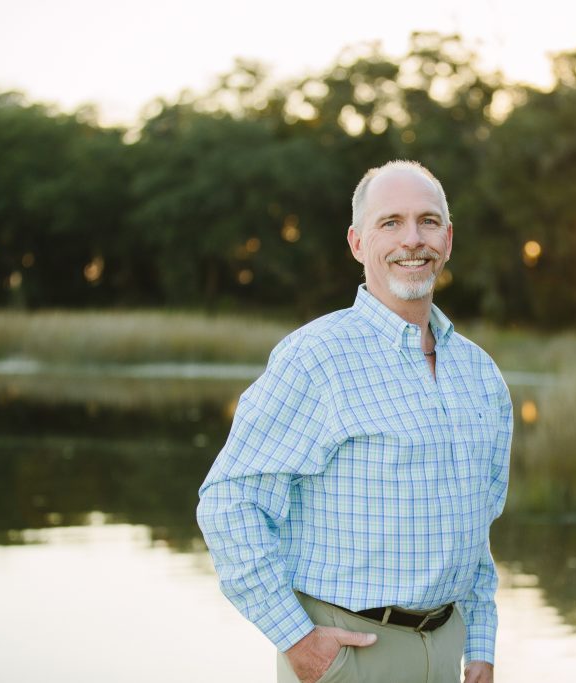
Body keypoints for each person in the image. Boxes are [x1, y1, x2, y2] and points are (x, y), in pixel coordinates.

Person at [196, 160, 513, 683]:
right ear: (358, 243)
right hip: (348, 654)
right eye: (390, 222)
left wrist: (480, 643)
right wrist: (297, 640)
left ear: (448, 240)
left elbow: (477, 528)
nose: (412, 239)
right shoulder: (315, 358)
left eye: (428, 221)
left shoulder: (480, 374)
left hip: (449, 649)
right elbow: (229, 502)